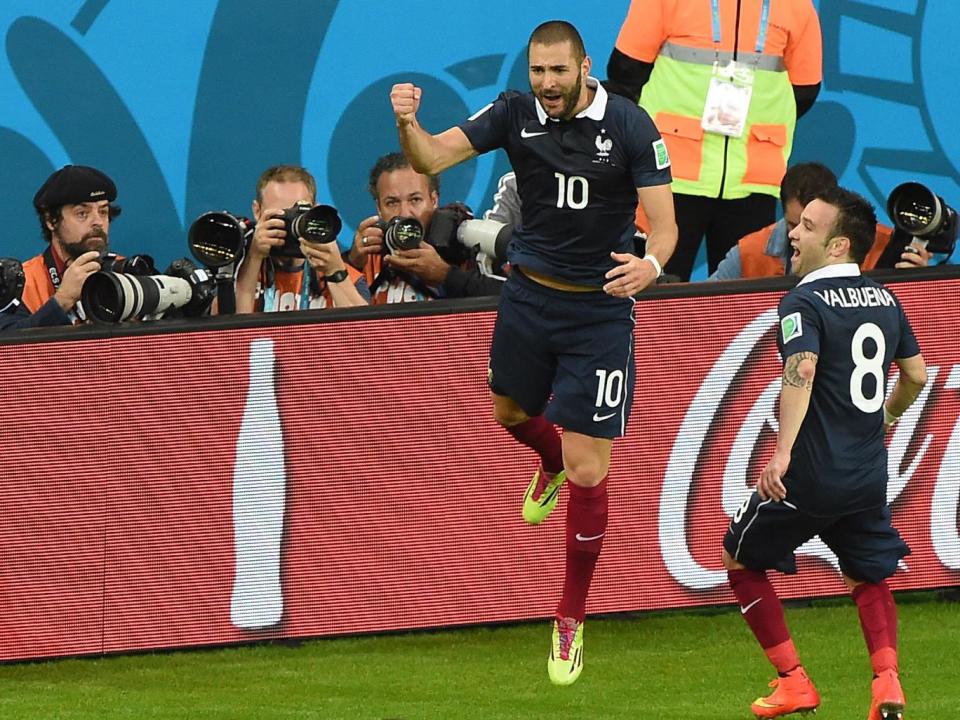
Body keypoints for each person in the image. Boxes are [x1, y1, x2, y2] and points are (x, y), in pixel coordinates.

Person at [390, 20, 677, 685]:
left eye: (558, 71)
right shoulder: (516, 113)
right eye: (537, 71)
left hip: (598, 311)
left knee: (587, 468)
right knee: (508, 413)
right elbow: (431, 160)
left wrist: (653, 266)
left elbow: (663, 225)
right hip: (527, 299)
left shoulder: (632, 128)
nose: (546, 84)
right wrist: (408, 124)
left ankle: (570, 615)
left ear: (584, 69)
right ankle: (543, 460)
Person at [721, 187, 927, 718]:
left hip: (809, 474)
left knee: (739, 560)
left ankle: (793, 681)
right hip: (864, 474)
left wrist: (780, 452)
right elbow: (916, 375)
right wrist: (885, 417)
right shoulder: (885, 298)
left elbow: (803, 368)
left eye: (808, 227)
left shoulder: (804, 300)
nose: (793, 232)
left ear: (837, 246)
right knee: (866, 575)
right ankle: (887, 685)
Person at [607, 0, 822, 280]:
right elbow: (625, 72)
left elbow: (805, 89)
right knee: (656, 297)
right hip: (670, 175)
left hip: (753, 177)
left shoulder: (797, 6)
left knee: (743, 307)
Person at [708, 163, 931, 281]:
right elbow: (696, 310)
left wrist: (917, 283)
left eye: (809, 226)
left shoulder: (886, 247)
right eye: (792, 224)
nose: (795, 234)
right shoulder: (749, 253)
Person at [344, 152, 504, 302]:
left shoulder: (463, 245)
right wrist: (351, 263)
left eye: (415, 200)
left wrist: (446, 276)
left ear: (434, 200)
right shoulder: (368, 254)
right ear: (379, 208)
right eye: (392, 203)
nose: (405, 213)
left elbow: (519, 299)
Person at [235, 165, 369, 313]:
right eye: (281, 215)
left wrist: (335, 271)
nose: (290, 223)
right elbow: (230, 332)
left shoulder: (347, 276)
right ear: (257, 211)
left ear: (315, 211)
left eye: (298, 214)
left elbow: (364, 333)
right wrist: (254, 257)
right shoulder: (237, 273)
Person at [21, 164, 116, 322]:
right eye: (82, 213)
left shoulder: (124, 271)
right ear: (51, 220)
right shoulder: (24, 284)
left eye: (103, 211)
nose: (98, 222)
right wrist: (61, 301)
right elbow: (9, 344)